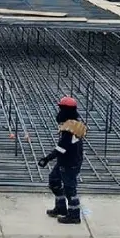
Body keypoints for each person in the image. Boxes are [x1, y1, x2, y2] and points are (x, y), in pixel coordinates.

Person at [37, 96, 87, 224]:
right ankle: (61, 208)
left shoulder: (70, 129)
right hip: (65, 161)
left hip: (70, 162)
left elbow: (62, 148)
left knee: (70, 188)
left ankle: (74, 215)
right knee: (54, 180)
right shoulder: (73, 124)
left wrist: (47, 159)